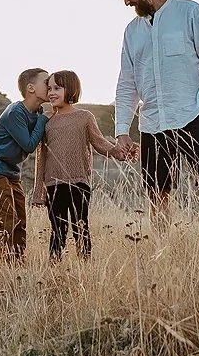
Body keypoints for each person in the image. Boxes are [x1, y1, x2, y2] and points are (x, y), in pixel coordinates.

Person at [114, 0, 199, 228]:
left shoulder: (190, 12)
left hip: (192, 115)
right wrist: (122, 130)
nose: (126, 1)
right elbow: (127, 83)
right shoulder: (132, 32)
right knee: (156, 193)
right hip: (153, 123)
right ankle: (162, 250)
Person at [30, 70, 134, 261]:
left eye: (57, 88)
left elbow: (99, 142)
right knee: (57, 230)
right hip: (53, 185)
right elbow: (41, 157)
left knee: (81, 226)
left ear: (70, 89)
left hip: (79, 183)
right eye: (50, 88)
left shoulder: (84, 117)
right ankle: (55, 269)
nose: (52, 92)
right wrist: (39, 191)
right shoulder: (46, 121)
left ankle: (85, 266)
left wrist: (118, 152)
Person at [0, 68, 49, 263]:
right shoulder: (15, 112)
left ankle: (18, 262)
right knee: (7, 217)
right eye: (46, 81)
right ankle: (5, 263)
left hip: (11, 170)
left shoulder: (39, 112)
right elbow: (28, 144)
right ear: (31, 88)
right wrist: (43, 121)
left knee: (20, 218)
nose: (50, 84)